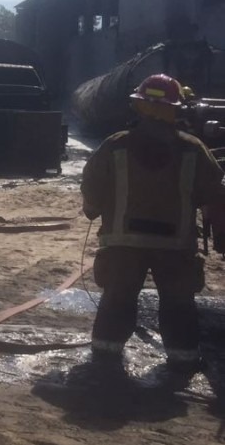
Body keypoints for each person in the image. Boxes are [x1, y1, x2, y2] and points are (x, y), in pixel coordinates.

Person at [81, 73, 225, 379]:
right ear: (176, 108)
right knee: (177, 304)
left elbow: (92, 183)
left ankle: (104, 361)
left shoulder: (115, 145)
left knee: (117, 299)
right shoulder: (194, 149)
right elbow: (214, 194)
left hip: (123, 244)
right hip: (175, 247)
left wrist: (92, 209)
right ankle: (183, 361)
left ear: (138, 106)